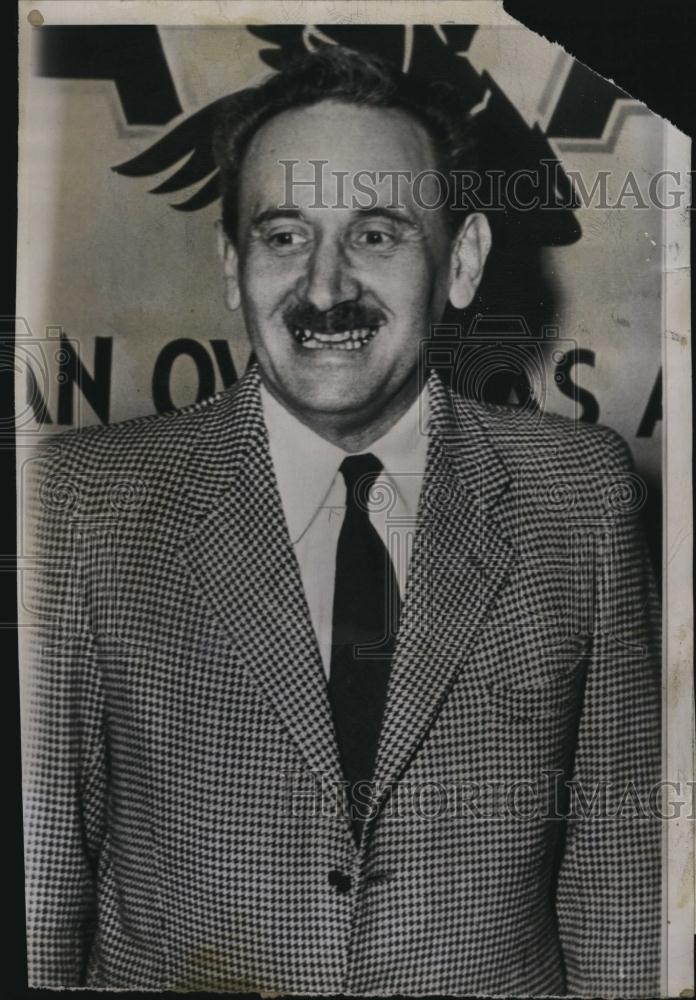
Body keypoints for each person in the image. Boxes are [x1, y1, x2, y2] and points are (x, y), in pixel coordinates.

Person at [25, 46, 661, 996]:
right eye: (284, 237)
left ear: (463, 261)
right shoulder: (86, 503)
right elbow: (37, 885)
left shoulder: (578, 494)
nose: (325, 290)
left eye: (376, 235)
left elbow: (622, 868)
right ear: (232, 269)